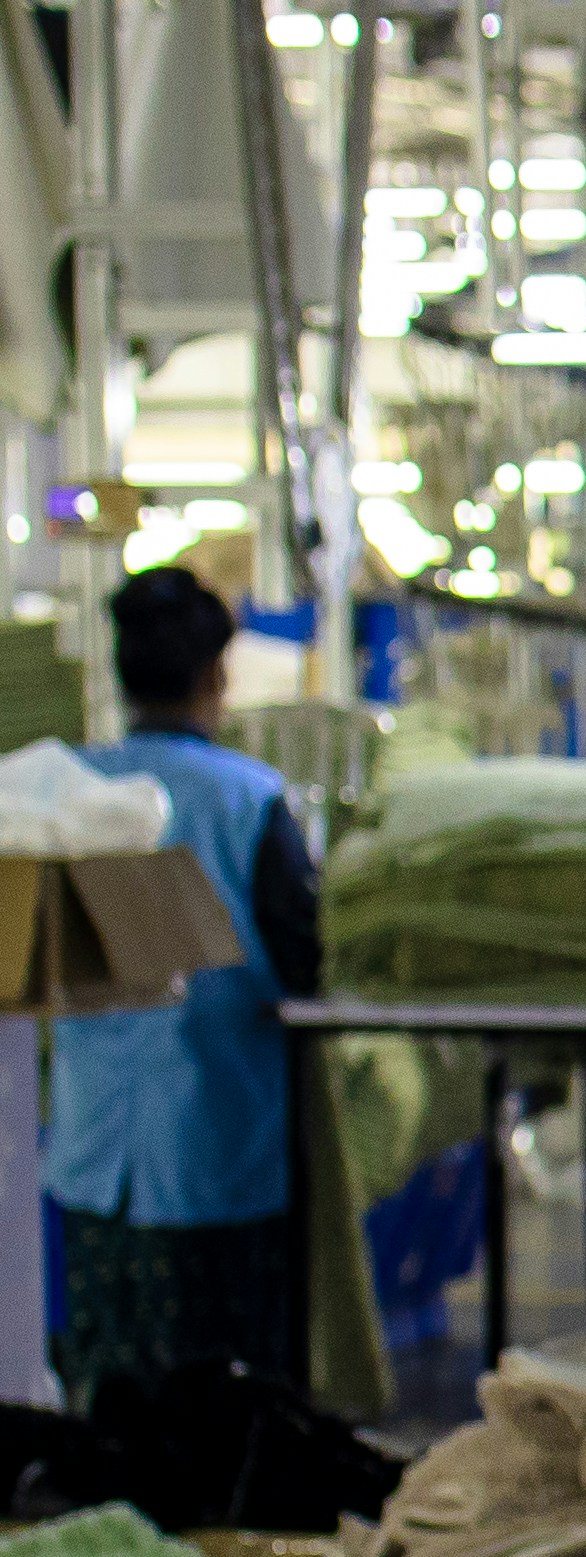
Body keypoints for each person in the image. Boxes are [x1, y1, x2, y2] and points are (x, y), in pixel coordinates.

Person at [48, 568, 322, 1398]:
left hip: (94, 1144)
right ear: (216, 677)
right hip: (213, 1138)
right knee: (218, 1396)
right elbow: (306, 961)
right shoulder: (249, 799)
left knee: (110, 1386)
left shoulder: (68, 792)